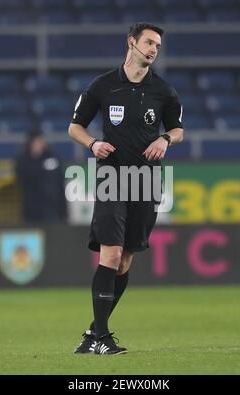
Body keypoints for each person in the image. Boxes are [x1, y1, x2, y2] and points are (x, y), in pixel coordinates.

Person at [68, 23, 184, 355]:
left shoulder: (164, 91)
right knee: (112, 253)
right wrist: (92, 144)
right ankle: (104, 338)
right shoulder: (103, 86)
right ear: (131, 42)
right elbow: (74, 127)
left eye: (158, 46)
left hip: (146, 180)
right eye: (149, 42)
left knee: (125, 260)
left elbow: (178, 130)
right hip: (112, 177)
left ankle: (93, 334)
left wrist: (165, 139)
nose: (153, 49)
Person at [15, 131, 67, 223]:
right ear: (31, 143)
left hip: (51, 207)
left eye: (41, 141)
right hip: (31, 207)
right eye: (37, 141)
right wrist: (35, 157)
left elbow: (59, 180)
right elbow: (21, 175)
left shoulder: (51, 157)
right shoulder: (23, 158)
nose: (41, 144)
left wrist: (63, 209)